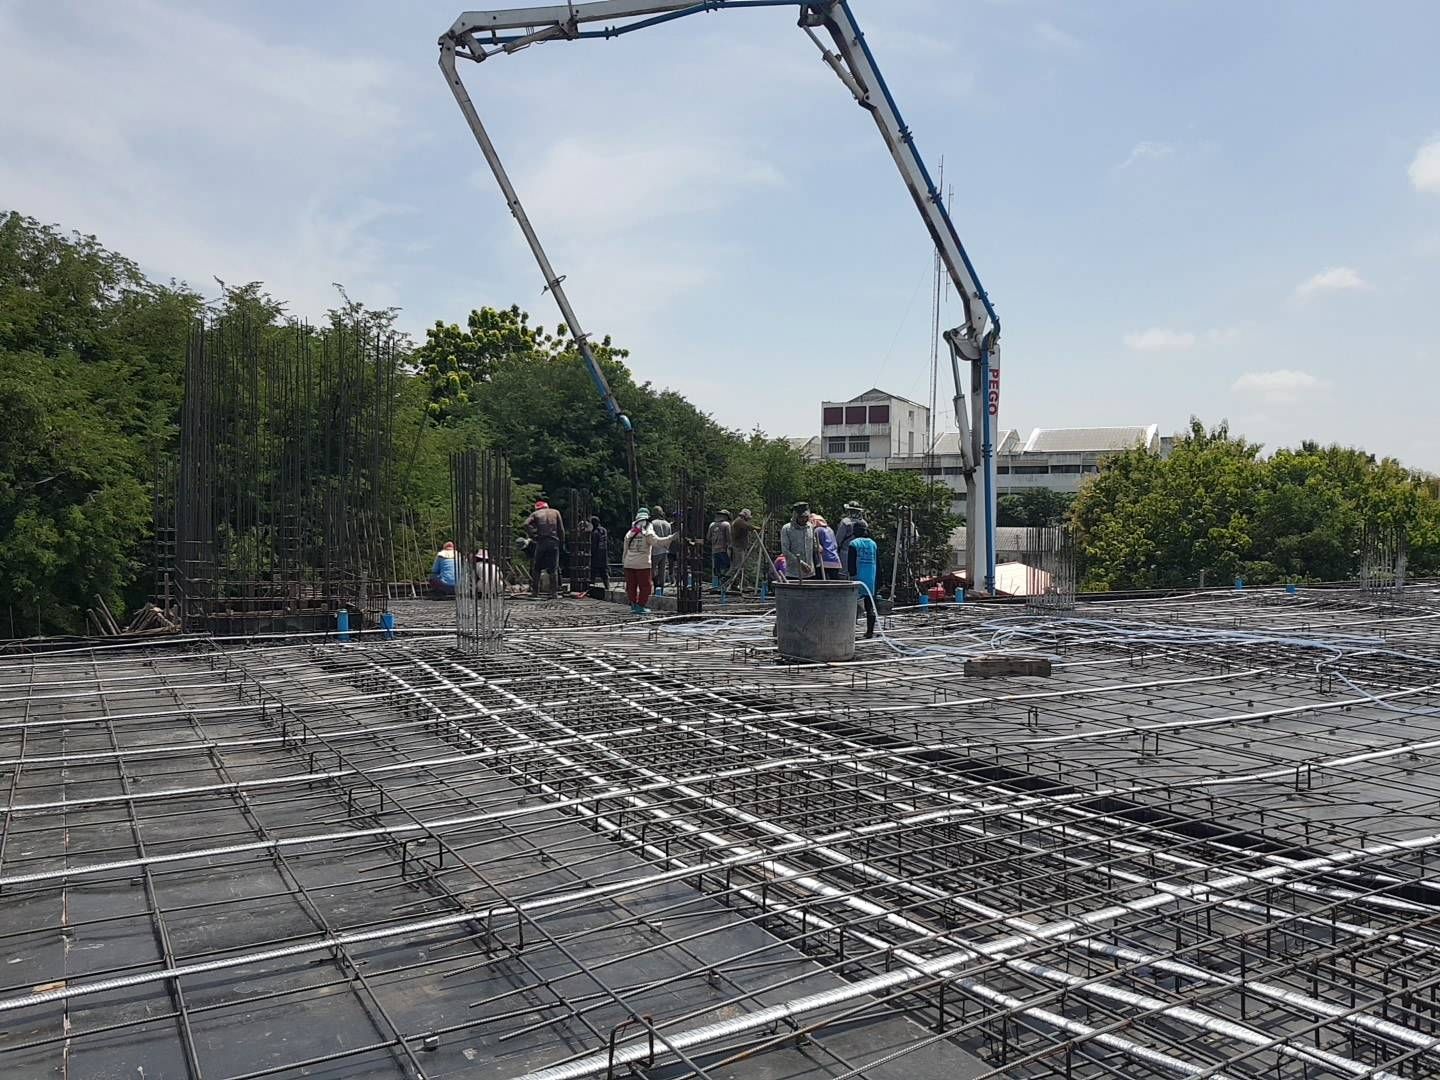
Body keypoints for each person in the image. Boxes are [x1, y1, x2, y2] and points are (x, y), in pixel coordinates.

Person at [622, 508, 673, 613]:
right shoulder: (647, 529)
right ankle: (640, 606)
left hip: (629, 564)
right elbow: (657, 542)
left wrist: (624, 563)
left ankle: (633, 605)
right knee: (646, 586)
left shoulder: (630, 532)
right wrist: (671, 538)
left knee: (631, 586)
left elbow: (625, 550)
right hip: (643, 564)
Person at [523, 496, 566, 599]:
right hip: (553, 541)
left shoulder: (535, 514)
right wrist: (562, 543)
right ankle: (554, 593)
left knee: (537, 568)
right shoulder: (555, 512)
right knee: (553, 568)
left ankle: (535, 592)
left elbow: (525, 524)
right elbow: (561, 529)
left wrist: (533, 535)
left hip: (541, 542)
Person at [849, 521, 880, 638]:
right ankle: (870, 631)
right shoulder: (873, 544)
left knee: (852, 607)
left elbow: (851, 565)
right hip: (871, 579)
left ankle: (850, 631)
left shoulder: (854, 544)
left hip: (857, 578)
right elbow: (878, 563)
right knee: (869, 606)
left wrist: (851, 576)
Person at [779, 502, 816, 581]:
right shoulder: (787, 529)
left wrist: (818, 547)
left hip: (809, 573)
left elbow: (814, 544)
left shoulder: (810, 527)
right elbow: (785, 551)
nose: (804, 520)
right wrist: (800, 563)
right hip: (793, 573)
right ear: (795, 516)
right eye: (801, 517)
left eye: (806, 517)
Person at [836, 503, 867, 572]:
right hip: (861, 553)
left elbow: (838, 539)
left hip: (846, 552)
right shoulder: (864, 523)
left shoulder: (845, 522)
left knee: (844, 573)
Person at [811, 514, 844, 580]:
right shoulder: (830, 529)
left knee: (821, 582)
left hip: (823, 561)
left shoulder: (817, 530)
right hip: (835, 560)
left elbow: (815, 545)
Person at [649, 505, 672, 594]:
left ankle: (654, 586)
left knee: (652, 570)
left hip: (655, 551)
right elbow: (670, 538)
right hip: (664, 551)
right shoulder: (667, 524)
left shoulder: (652, 523)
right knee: (662, 571)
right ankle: (661, 589)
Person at [730, 509, 756, 591]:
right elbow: (748, 527)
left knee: (739, 566)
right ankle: (734, 583)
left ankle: (738, 584)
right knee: (738, 566)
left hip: (739, 546)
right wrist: (759, 528)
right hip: (738, 547)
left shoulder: (740, 521)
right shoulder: (739, 521)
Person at [707, 509, 732, 591]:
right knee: (727, 566)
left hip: (714, 549)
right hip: (724, 549)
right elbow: (729, 538)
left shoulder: (712, 525)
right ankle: (723, 584)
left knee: (716, 568)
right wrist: (730, 546)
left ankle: (717, 585)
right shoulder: (726, 524)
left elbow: (708, 537)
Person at [588, 515, 610, 595]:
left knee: (592, 572)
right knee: (604, 572)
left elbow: (594, 545)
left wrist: (590, 553)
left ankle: (591, 588)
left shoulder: (595, 532)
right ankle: (607, 588)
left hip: (596, 555)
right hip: (603, 555)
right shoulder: (604, 530)